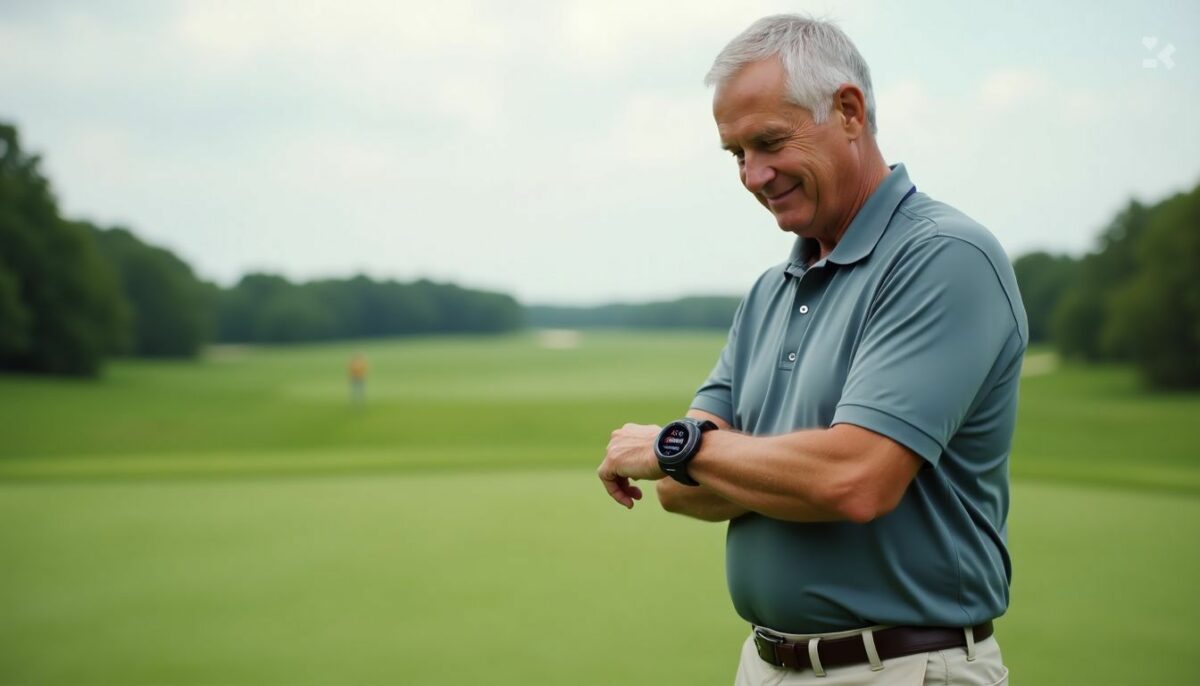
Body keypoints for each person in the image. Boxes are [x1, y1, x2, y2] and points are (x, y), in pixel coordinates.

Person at [597, 14, 1026, 686]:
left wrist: (677, 448)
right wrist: (759, 465)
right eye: (736, 153)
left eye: (769, 142)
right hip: (764, 664)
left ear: (849, 111)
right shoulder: (771, 290)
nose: (753, 174)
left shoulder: (944, 257)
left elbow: (854, 480)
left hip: (904, 667)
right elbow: (683, 498)